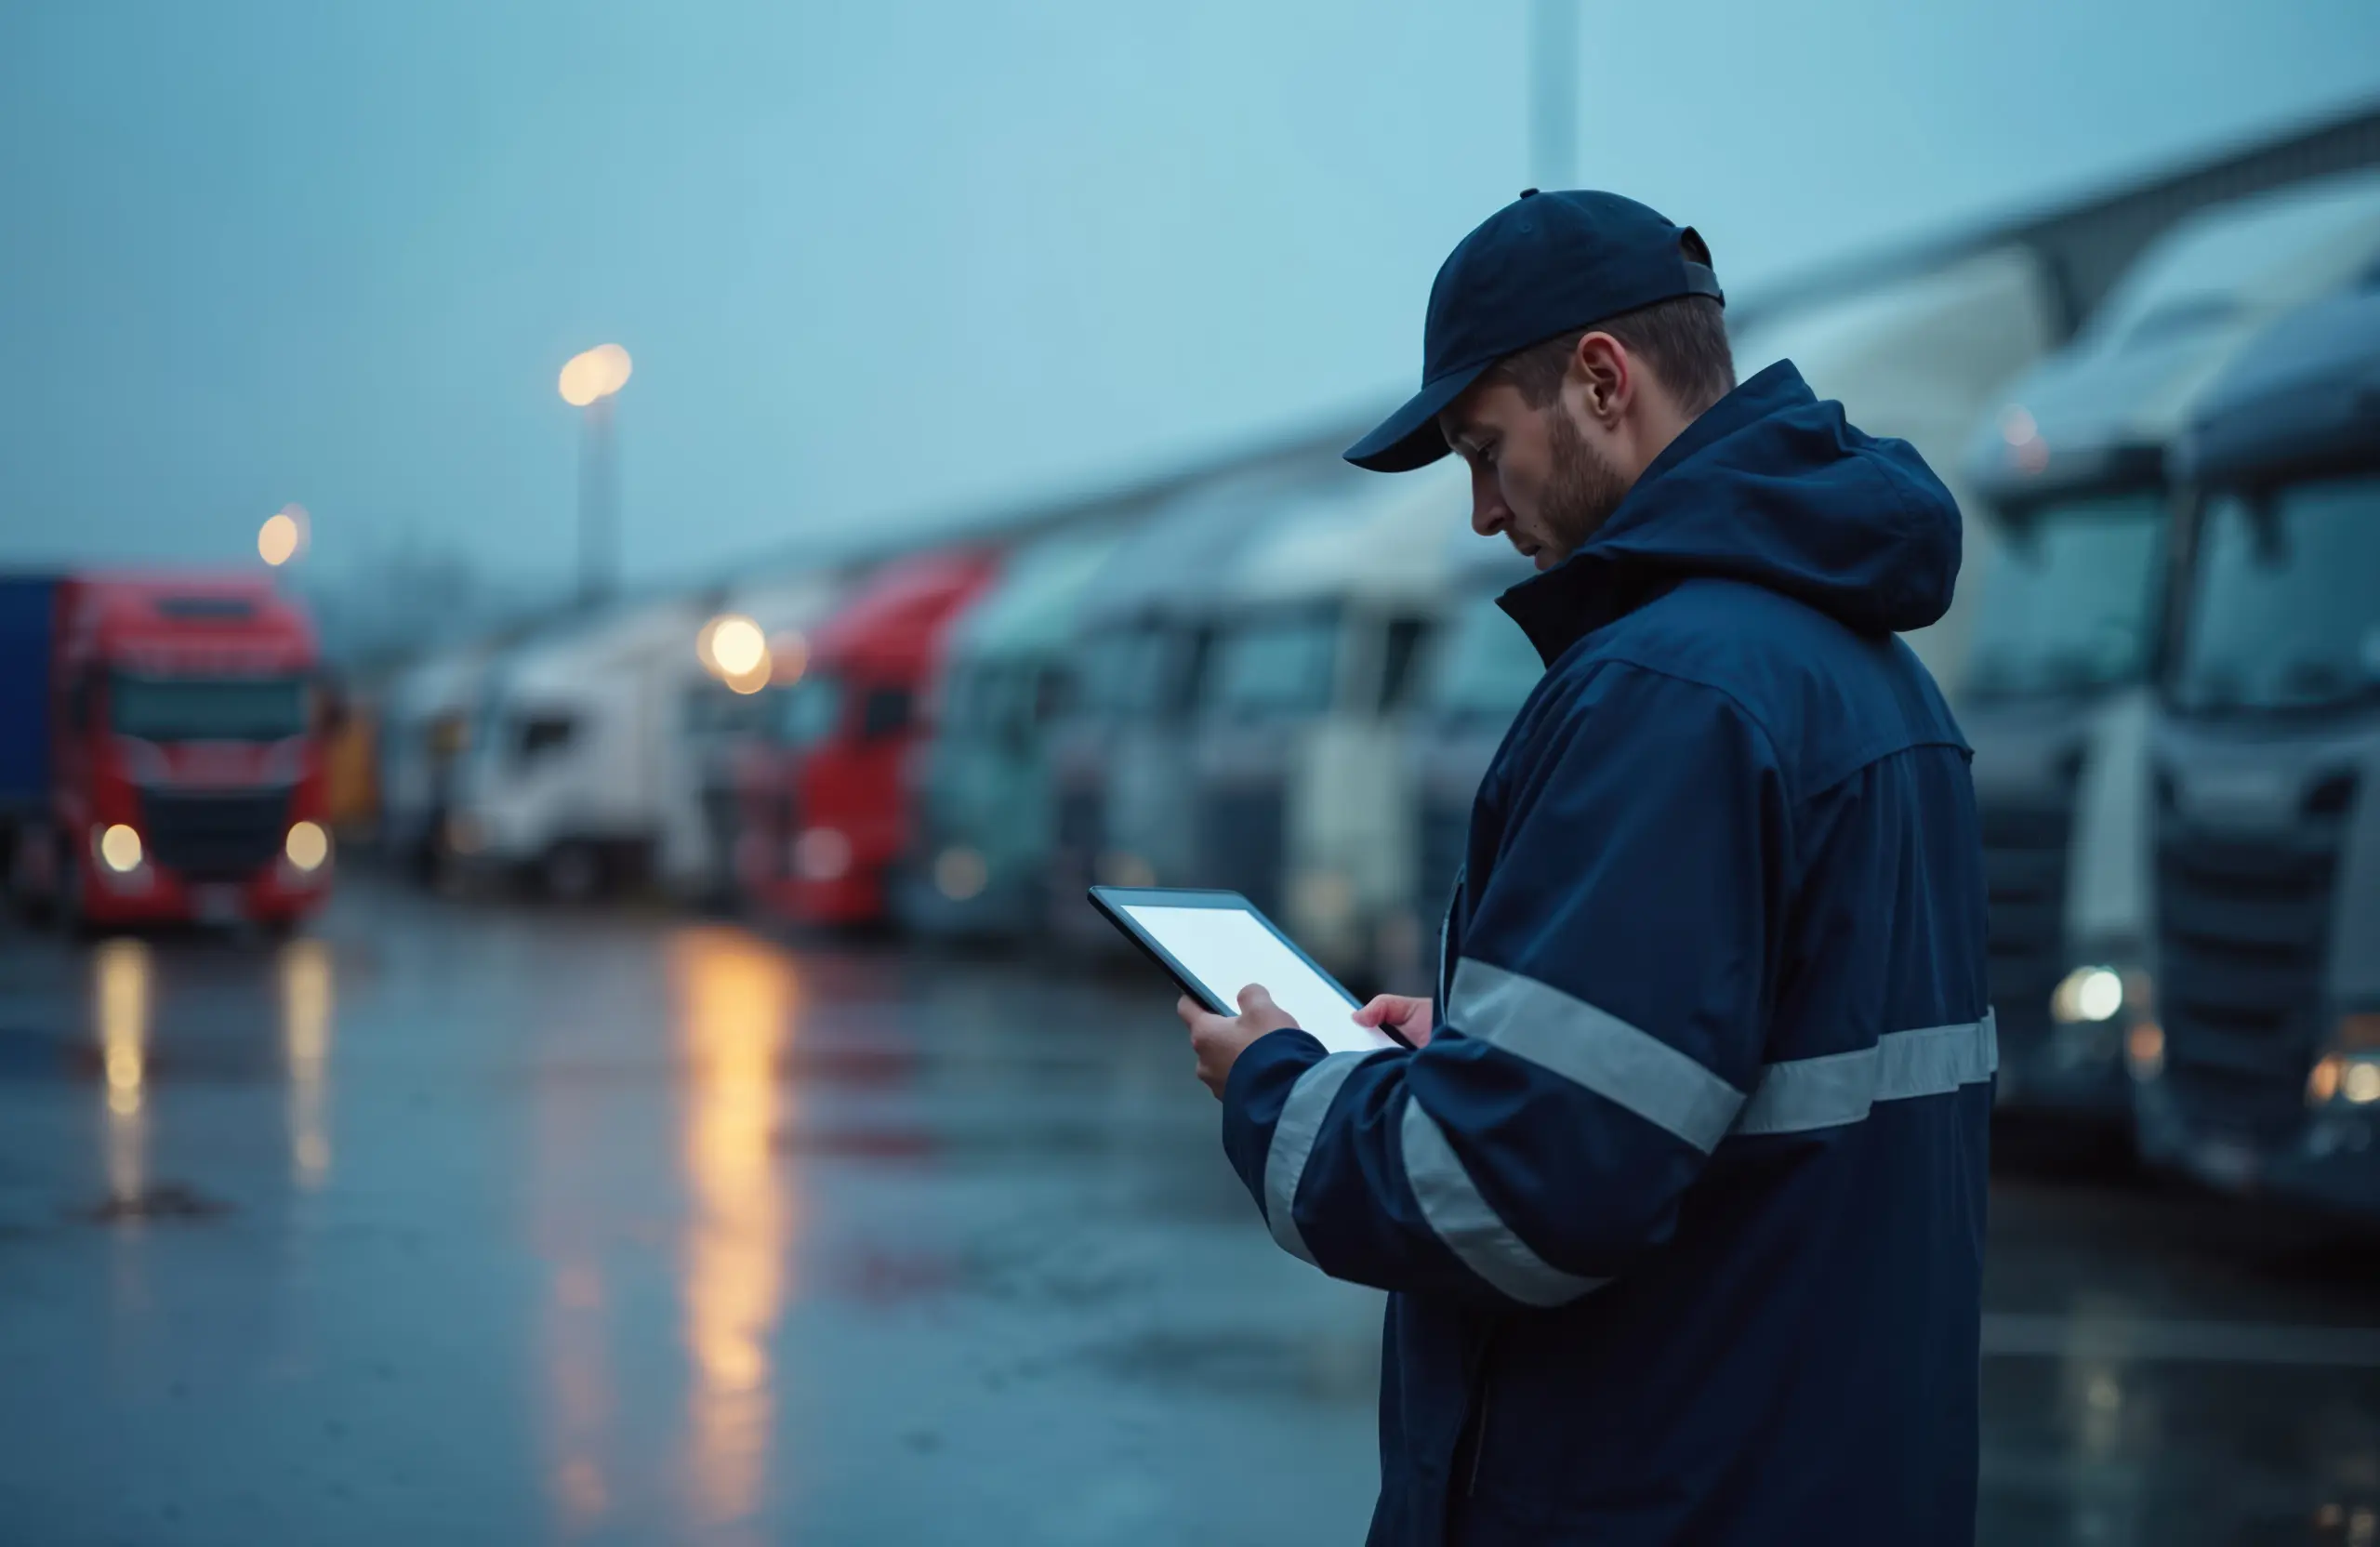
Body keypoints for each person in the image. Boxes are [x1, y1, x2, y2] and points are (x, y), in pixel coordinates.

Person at [1177, 189, 1993, 1545]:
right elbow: (1738, 1070)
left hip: (1665, 1490)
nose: (1487, 513)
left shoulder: (1671, 691)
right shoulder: (1867, 674)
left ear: (1603, 382)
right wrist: (1487, 1048)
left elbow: (1517, 1195)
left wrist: (1274, 1085)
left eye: (1486, 450)